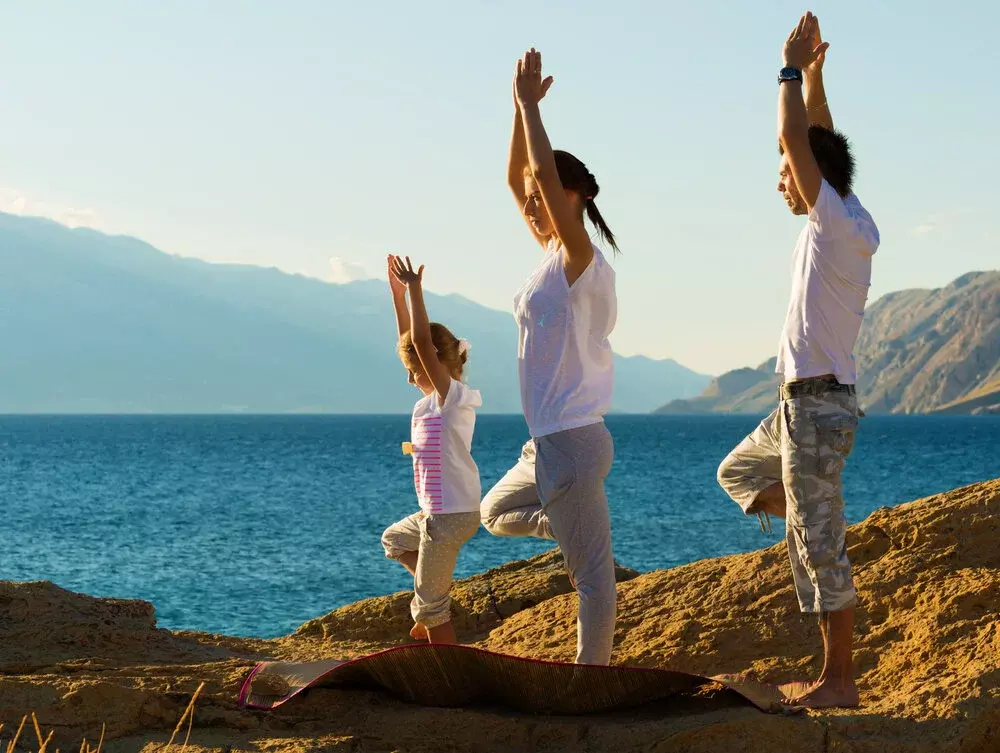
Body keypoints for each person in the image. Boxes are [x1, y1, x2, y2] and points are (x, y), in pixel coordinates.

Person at [716, 13, 880, 708]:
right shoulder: (850, 210)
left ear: (812, 176)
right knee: (738, 471)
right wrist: (816, 78)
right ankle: (814, 516)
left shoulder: (835, 220)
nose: (782, 180)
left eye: (786, 172)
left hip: (815, 405)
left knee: (819, 548)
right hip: (799, 407)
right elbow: (817, 139)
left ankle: (838, 680)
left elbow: (798, 139)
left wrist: (785, 67)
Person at [480, 48, 620, 666]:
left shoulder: (578, 259)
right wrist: (516, 109)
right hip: (545, 443)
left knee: (592, 580)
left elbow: (535, 170)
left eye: (544, 194)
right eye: (533, 199)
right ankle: (568, 526)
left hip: (573, 440)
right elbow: (517, 179)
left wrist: (536, 110)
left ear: (572, 197)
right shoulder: (548, 260)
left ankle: (591, 674)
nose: (531, 203)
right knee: (495, 513)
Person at [382, 254, 482, 644]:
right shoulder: (429, 400)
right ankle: (434, 586)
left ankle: (448, 659)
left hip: (450, 515)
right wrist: (397, 297)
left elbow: (422, 343)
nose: (409, 378)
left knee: (427, 607)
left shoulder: (451, 398)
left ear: (435, 363)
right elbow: (411, 342)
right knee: (394, 539)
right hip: (433, 515)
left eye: (415, 368)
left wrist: (416, 289)